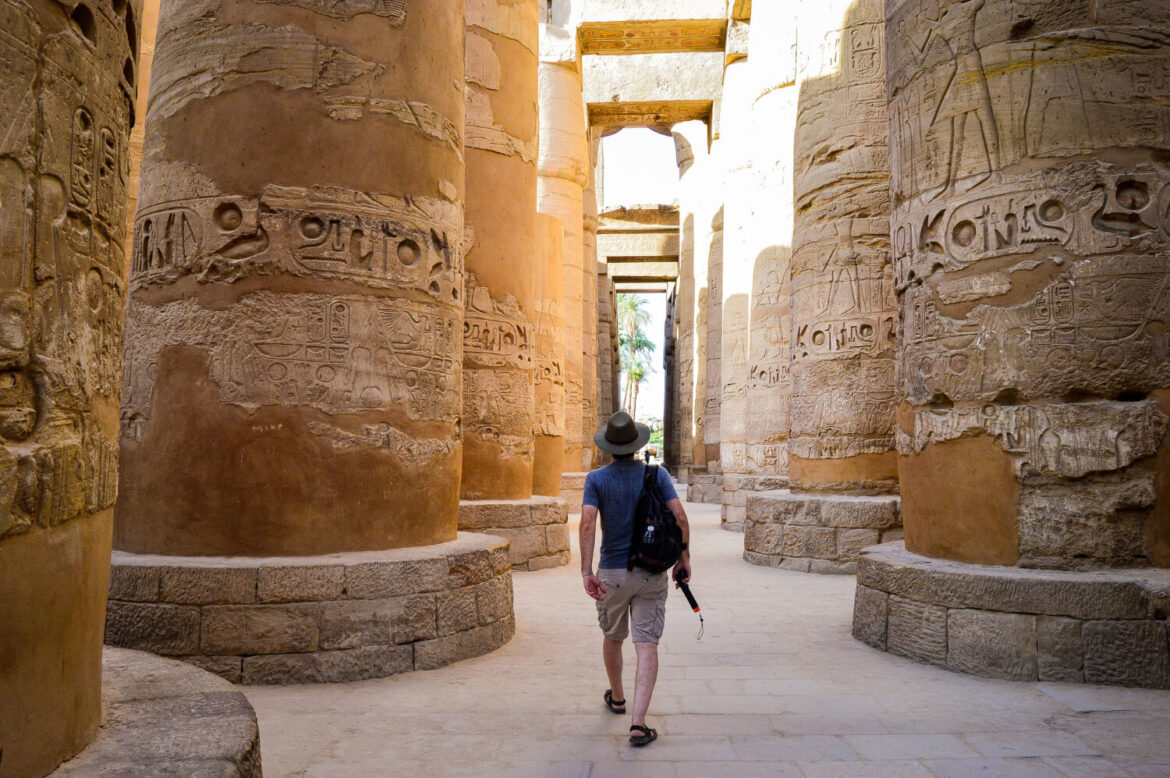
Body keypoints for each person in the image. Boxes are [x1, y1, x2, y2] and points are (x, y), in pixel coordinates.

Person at [580, 411, 691, 747]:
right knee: (646, 645)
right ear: (636, 444)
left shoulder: (596, 479)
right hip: (650, 571)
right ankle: (639, 725)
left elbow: (587, 524)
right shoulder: (656, 475)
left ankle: (617, 697)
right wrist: (683, 561)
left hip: (611, 573)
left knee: (613, 636)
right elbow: (681, 518)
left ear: (608, 447)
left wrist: (586, 571)